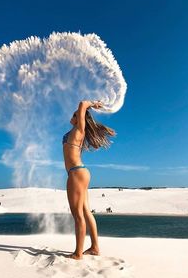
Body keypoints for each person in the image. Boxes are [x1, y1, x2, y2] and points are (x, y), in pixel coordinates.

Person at [62, 100, 116, 259]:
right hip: (79, 172)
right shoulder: (75, 131)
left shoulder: (79, 129)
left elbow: (82, 103)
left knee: (77, 214)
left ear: (80, 118)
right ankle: (94, 247)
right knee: (85, 212)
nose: (73, 116)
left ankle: (78, 253)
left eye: (75, 114)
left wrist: (93, 104)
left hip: (77, 173)